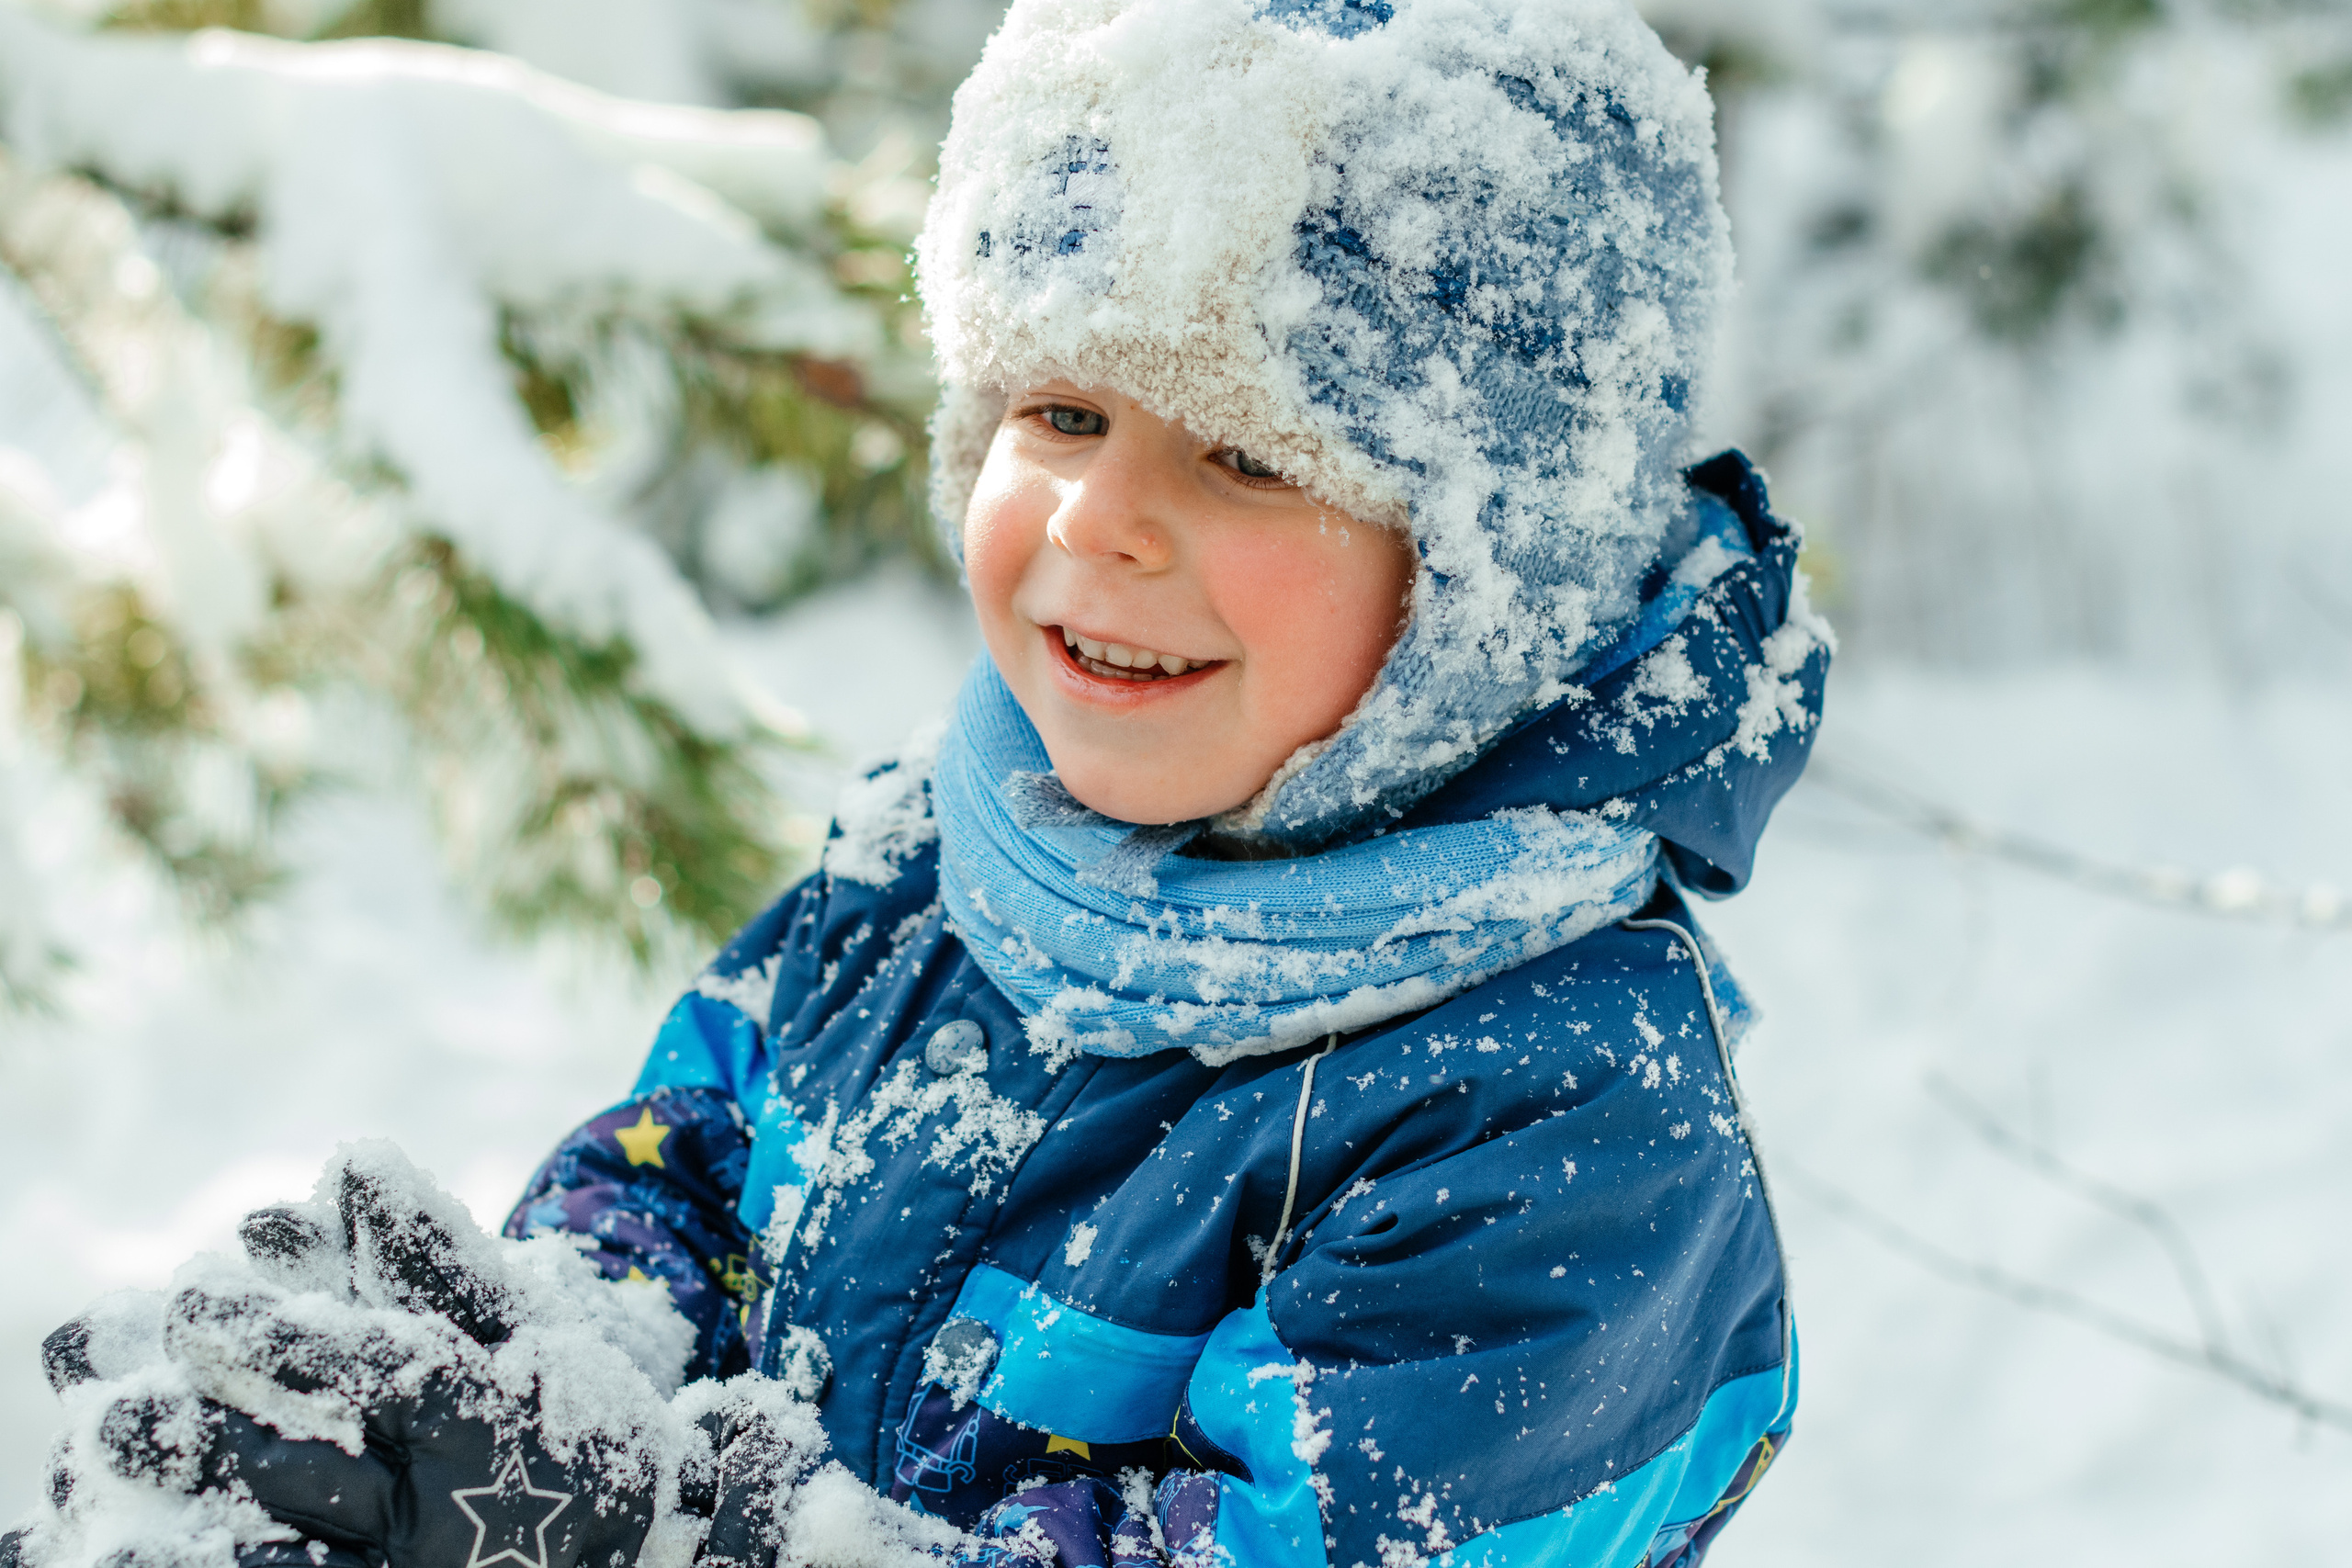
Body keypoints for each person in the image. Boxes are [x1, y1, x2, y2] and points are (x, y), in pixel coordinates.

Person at [11, 3, 1829, 1566]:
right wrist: (522, 1378)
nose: (1101, 519)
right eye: (1058, 413)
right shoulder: (936, 861)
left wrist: (642, 1523)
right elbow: (694, 1165)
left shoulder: (1558, 1116)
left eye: (1250, 451)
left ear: (1485, 579)